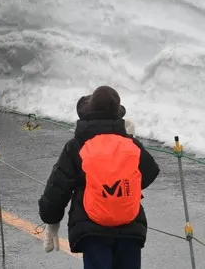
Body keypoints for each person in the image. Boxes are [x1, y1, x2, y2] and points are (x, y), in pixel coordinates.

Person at [39, 86, 160, 268]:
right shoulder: (130, 143)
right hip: (130, 228)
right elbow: (150, 172)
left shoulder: (76, 146)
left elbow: (58, 187)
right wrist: (122, 182)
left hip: (92, 230)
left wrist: (51, 218)